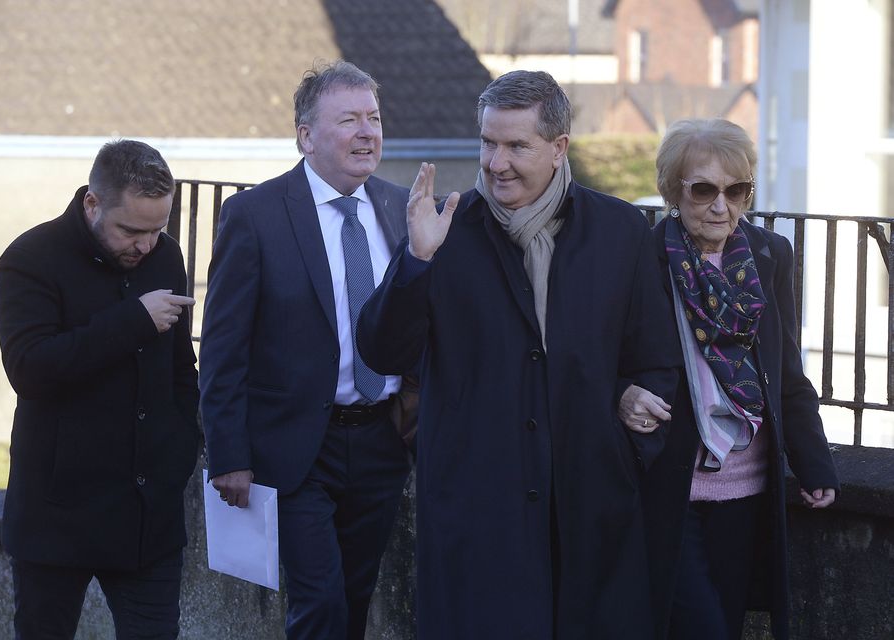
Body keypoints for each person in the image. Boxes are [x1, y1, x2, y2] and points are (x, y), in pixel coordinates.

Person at [357, 70, 683, 639]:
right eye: (487, 143)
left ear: (558, 149)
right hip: (478, 513)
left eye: (516, 146)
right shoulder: (445, 235)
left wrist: (627, 442)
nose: (496, 162)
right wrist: (415, 263)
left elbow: (655, 359)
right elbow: (384, 352)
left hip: (589, 509)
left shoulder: (621, 230)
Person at [198, 61, 411, 640]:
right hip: (294, 447)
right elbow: (222, 346)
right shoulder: (256, 215)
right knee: (318, 604)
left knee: (355, 599)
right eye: (349, 120)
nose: (368, 132)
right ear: (306, 136)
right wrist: (228, 452)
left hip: (379, 440)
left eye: (373, 117)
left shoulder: (399, 208)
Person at [638, 118, 839, 640]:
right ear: (673, 191)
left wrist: (815, 464)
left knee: (723, 625)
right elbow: (611, 359)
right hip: (670, 484)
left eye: (737, 191)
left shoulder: (771, 256)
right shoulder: (644, 257)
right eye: (703, 189)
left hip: (747, 489)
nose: (720, 205)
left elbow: (785, 371)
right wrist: (622, 396)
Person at [0, 140, 200, 639]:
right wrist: (133, 322)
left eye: (159, 228)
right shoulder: (30, 259)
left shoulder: (164, 255)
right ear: (92, 203)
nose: (146, 245)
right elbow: (30, 369)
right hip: (54, 518)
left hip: (147, 520)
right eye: (131, 229)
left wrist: (181, 448)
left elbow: (180, 369)